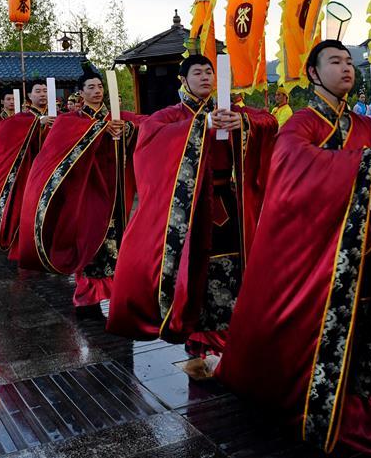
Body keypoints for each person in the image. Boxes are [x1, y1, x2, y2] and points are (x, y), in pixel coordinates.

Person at [217, 39, 371, 456]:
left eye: (350, 62)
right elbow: (292, 164)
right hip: (321, 259)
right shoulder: (303, 122)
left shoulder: (367, 125)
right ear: (313, 74)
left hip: (367, 250)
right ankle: (321, 400)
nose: (346, 68)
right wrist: (365, 163)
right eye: (335, 61)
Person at [108, 54, 277, 356]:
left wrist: (245, 122)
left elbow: (270, 121)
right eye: (197, 72)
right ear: (183, 80)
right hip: (190, 207)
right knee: (197, 268)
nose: (205, 77)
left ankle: (231, 336)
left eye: (209, 72)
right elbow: (151, 138)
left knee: (233, 266)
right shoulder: (171, 115)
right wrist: (201, 125)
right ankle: (201, 340)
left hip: (228, 202)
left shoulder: (230, 109)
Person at [18, 66, 138, 309]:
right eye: (90, 87)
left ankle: (118, 289)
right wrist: (100, 130)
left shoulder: (118, 117)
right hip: (88, 189)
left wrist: (126, 130)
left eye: (100, 86)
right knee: (89, 237)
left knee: (118, 239)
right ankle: (88, 293)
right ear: (80, 94)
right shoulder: (72, 121)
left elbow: (147, 126)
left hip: (117, 189)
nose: (96, 91)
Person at [0, 81, 50, 254]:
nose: (42, 94)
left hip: (49, 170)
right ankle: (26, 243)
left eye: (45, 91)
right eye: (38, 91)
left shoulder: (59, 116)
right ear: (29, 97)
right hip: (27, 171)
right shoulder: (21, 120)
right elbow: (9, 144)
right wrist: (39, 124)